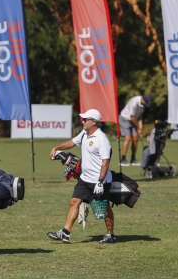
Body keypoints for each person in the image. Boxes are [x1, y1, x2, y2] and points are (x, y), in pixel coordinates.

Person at [47, 109, 116, 244]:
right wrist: (56, 148)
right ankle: (65, 232)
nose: (82, 121)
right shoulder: (84, 134)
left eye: (85, 119)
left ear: (94, 122)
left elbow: (106, 162)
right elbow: (71, 143)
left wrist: (100, 182)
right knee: (74, 201)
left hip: (99, 181)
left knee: (103, 206)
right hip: (85, 179)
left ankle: (110, 235)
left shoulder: (102, 139)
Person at [119, 94, 152, 166]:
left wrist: (141, 126)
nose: (145, 104)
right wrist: (138, 127)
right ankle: (123, 159)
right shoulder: (134, 102)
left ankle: (133, 159)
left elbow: (140, 115)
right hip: (125, 119)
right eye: (146, 103)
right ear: (143, 99)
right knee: (128, 138)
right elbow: (132, 117)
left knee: (136, 138)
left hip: (133, 120)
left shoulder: (143, 104)